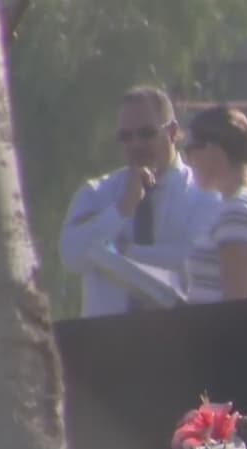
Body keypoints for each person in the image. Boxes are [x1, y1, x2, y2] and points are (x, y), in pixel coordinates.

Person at [60, 86, 220, 317]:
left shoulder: (202, 194)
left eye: (146, 133)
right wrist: (121, 210)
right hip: (109, 343)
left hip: (177, 341)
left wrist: (119, 254)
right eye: (125, 137)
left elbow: (194, 263)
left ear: (173, 132)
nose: (135, 144)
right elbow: (72, 256)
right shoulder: (97, 193)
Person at [181, 105, 247, 317]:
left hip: (227, 347)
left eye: (190, 148)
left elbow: (237, 309)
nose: (187, 160)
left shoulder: (238, 211)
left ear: (213, 150)